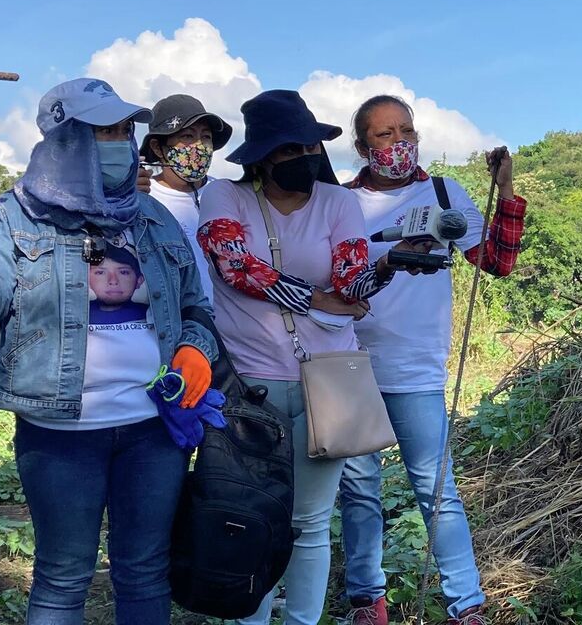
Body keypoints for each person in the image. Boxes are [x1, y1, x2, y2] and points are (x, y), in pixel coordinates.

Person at [0, 79, 220, 625]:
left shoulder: (151, 216)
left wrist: (196, 350)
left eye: (124, 130)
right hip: (59, 433)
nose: (122, 143)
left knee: (145, 569)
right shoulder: (12, 216)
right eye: (106, 131)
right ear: (66, 140)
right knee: (63, 574)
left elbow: (195, 307)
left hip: (153, 427)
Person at [194, 89, 429, 625]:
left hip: (329, 379)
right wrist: (312, 296)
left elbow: (350, 278)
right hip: (251, 385)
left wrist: (389, 265)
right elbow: (233, 263)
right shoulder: (224, 197)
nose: (301, 157)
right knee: (248, 513)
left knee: (311, 521)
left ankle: (301, 620)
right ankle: (250, 617)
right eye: (287, 150)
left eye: (307, 145)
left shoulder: (338, 202)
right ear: (262, 157)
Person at [336, 95, 528, 625]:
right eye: (383, 135)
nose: (398, 143)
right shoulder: (337, 202)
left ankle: (466, 605)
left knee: (436, 486)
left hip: (416, 367)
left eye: (405, 130)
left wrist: (505, 190)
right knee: (359, 488)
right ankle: (366, 601)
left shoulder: (444, 193)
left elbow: (496, 261)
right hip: (349, 362)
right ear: (361, 146)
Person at [138, 93, 233, 300]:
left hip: (234, 326)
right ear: (157, 147)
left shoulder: (228, 194)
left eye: (206, 137)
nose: (199, 146)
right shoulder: (144, 197)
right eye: (187, 136)